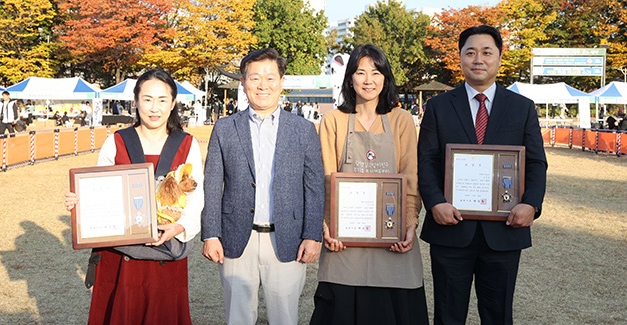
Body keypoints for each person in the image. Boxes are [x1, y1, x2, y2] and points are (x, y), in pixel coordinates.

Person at [417, 25, 548, 324]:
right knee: (448, 315)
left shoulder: (522, 108)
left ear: (499, 57)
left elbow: (537, 163)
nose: (479, 59)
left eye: (487, 52)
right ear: (461, 58)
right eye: (471, 52)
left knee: (498, 315)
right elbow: (426, 160)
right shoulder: (438, 106)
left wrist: (531, 204)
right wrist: (435, 202)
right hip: (449, 229)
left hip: (504, 231)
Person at [64, 69, 204, 324]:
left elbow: (197, 196)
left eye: (162, 100)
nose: (154, 108)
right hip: (120, 257)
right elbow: (100, 190)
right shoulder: (116, 142)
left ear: (173, 103)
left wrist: (179, 226)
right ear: (136, 101)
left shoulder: (187, 144)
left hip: (165, 250)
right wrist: (80, 202)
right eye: (147, 99)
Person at [201, 48, 325, 325]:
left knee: (285, 317)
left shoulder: (303, 129)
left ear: (282, 81)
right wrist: (210, 234)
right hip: (236, 239)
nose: (262, 85)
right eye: (254, 78)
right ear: (243, 83)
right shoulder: (225, 128)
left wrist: (312, 235)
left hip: (288, 239)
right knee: (238, 317)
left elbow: (314, 186)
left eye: (270, 78)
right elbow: (212, 183)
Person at [310, 44, 429, 325]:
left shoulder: (401, 120)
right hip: (344, 243)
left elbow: (410, 177)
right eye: (360, 72)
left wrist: (409, 224)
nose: (368, 80)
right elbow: (325, 178)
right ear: (350, 78)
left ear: (385, 78)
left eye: (376, 72)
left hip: (393, 236)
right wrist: (328, 228)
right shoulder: (332, 121)